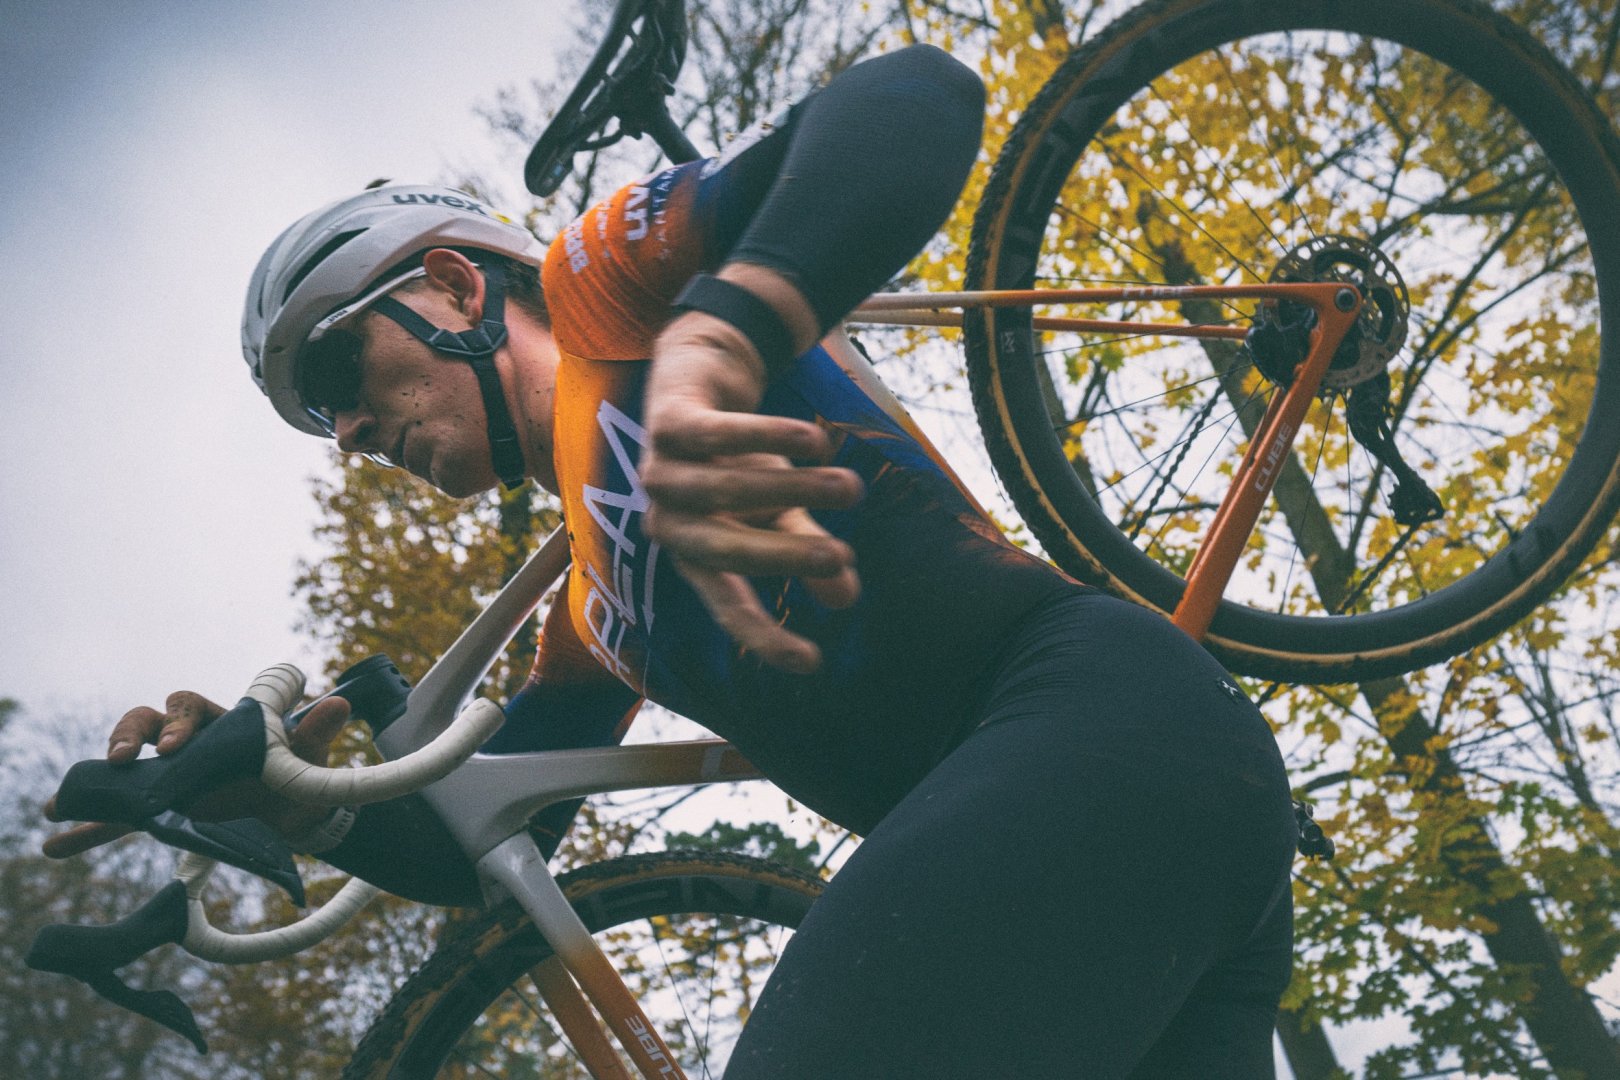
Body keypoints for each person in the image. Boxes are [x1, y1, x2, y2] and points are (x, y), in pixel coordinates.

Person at [50, 45, 1297, 1077]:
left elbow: (917, 96)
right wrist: (294, 803)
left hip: (1099, 727)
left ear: (453, 286)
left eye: (338, 370)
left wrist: (723, 331)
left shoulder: (605, 289)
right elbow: (460, 852)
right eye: (324, 424)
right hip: (1151, 840)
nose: (350, 432)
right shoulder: (593, 612)